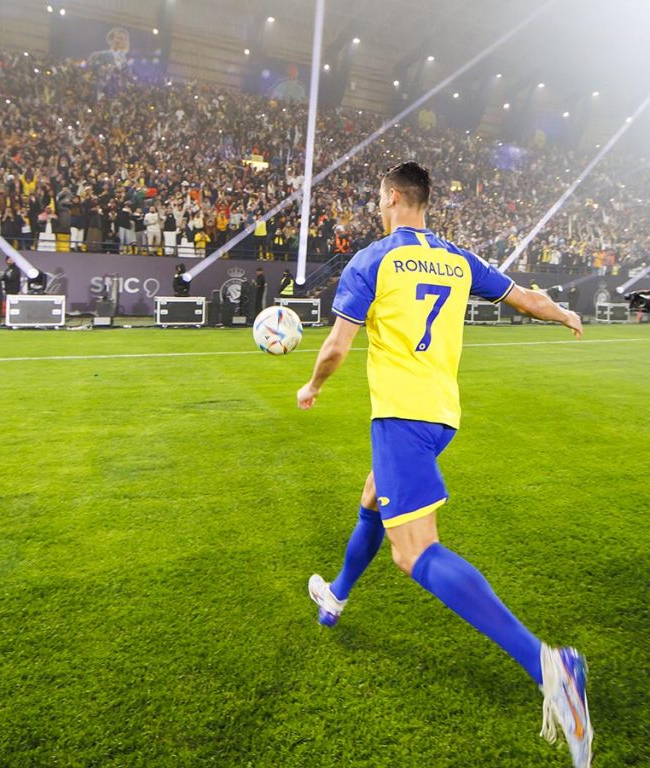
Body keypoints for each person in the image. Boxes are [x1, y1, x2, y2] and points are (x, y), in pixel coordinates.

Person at [297, 162, 592, 768]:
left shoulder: (374, 259)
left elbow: (336, 346)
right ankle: (337, 597)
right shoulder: (457, 260)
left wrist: (312, 386)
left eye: (381, 200)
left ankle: (548, 664)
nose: (379, 209)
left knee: (414, 552)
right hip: (441, 419)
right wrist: (563, 314)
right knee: (373, 497)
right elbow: (524, 297)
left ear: (396, 198)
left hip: (400, 417)